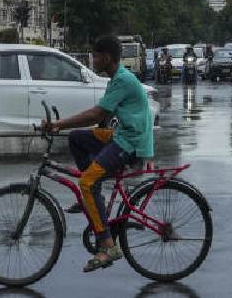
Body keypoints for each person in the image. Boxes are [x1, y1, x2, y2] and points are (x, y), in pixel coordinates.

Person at [41, 34, 154, 273]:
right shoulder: (116, 78)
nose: (92, 60)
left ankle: (108, 245)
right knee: (77, 138)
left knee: (87, 182)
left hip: (130, 143)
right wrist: (68, 127)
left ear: (107, 58)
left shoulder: (122, 80)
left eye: (95, 56)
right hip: (122, 135)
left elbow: (97, 114)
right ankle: (92, 197)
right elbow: (104, 116)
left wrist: (59, 123)